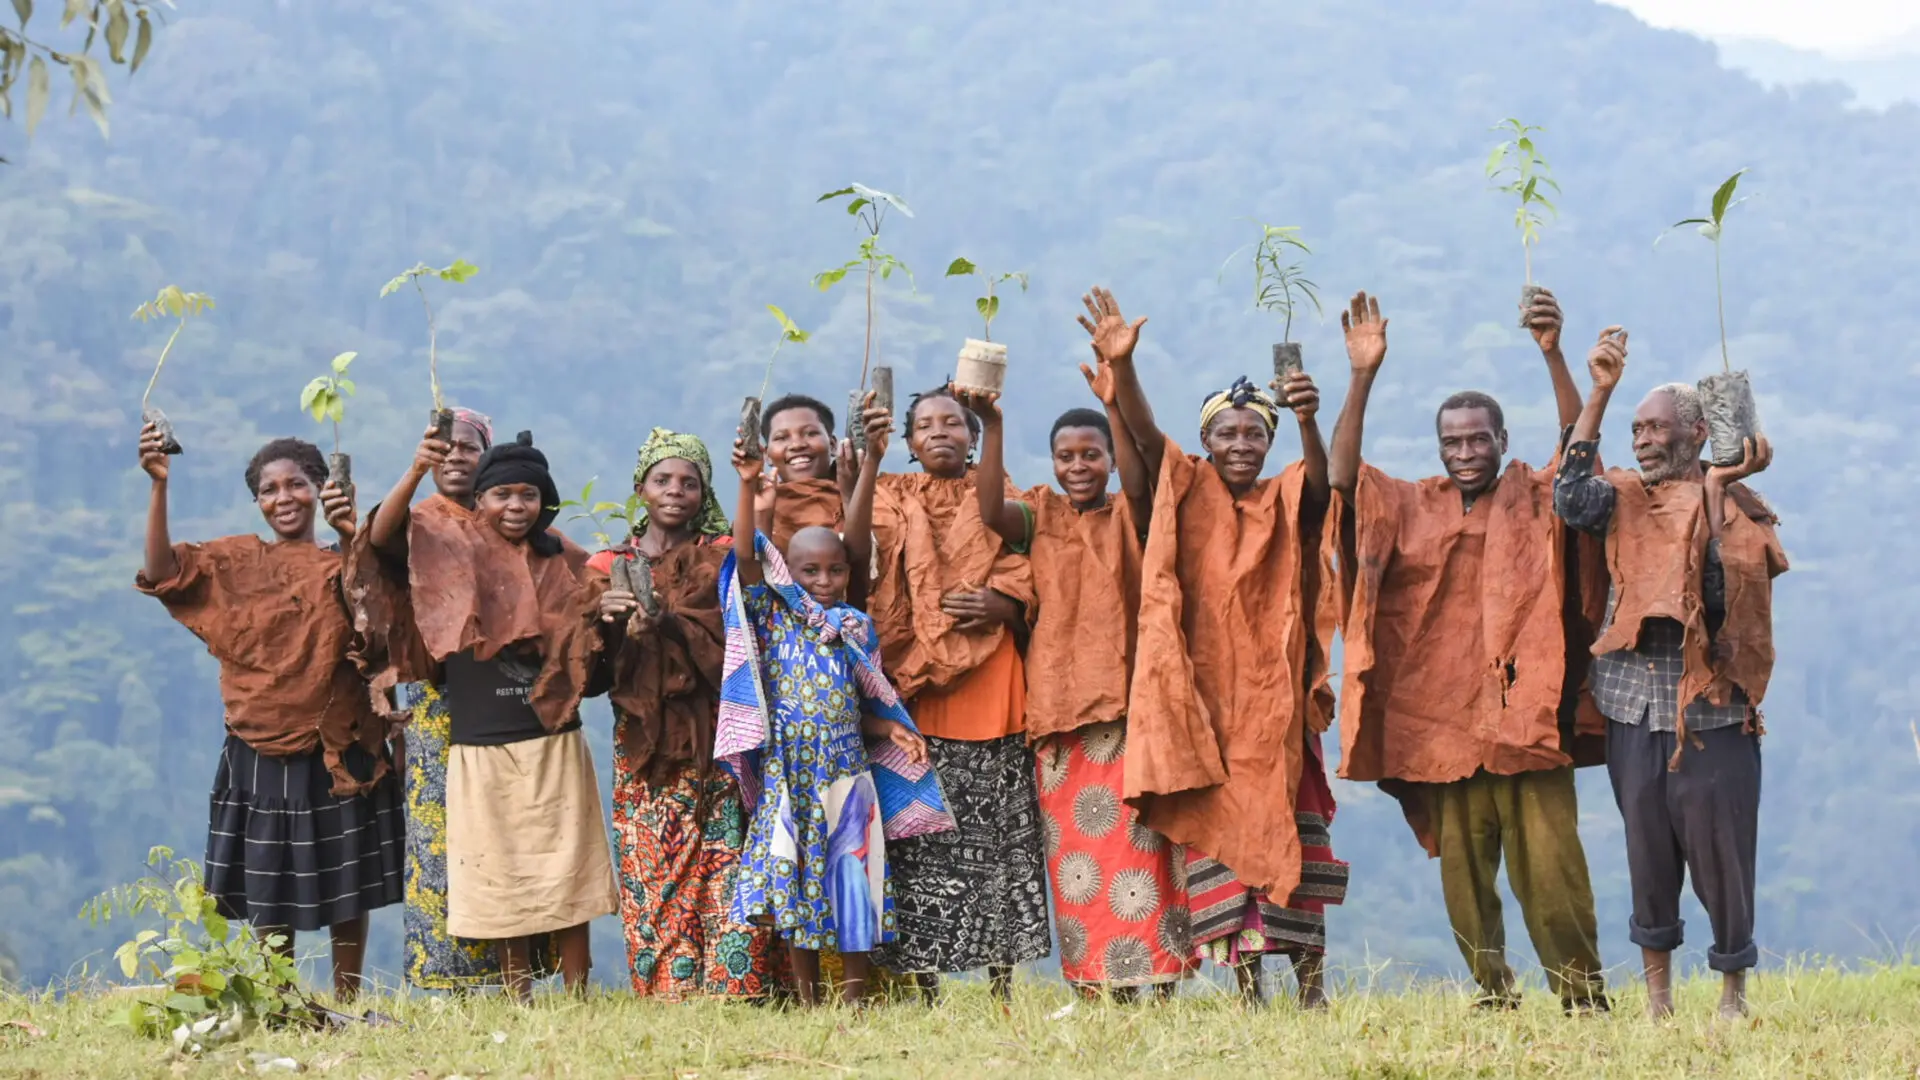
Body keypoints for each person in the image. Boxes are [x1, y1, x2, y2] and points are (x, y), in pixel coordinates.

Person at [1325, 289, 1609, 1012]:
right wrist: (1361, 375)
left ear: (1502, 440)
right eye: (1452, 442)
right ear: (1439, 447)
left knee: (1552, 870)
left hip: (1525, 719)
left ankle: (1581, 998)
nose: (1465, 453)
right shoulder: (1411, 503)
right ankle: (1493, 990)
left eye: (1478, 439)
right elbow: (1341, 477)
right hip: (1442, 725)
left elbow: (1579, 446)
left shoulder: (1535, 493)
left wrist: (1552, 353)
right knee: (1464, 876)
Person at [1097, 286, 1347, 1007]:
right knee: (1219, 843)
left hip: (1277, 711)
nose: (1241, 446)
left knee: (1296, 837)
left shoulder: (1286, 495)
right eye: (1227, 434)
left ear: (1267, 444)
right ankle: (1246, 990)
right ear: (1206, 441)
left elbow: (1326, 484)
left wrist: (1306, 420)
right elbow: (1146, 442)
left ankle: (1311, 987)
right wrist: (1126, 371)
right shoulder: (1185, 493)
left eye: (1253, 435)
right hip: (1205, 713)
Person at [1553, 328, 1786, 1019]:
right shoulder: (1622, 498)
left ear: (1696, 432)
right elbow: (1570, 496)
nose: (1644, 439)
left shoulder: (1740, 508)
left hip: (1711, 712)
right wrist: (1599, 392)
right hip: (1633, 708)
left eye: (1657, 427)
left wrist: (1716, 490)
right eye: (1637, 429)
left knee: (1722, 858)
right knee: (1647, 850)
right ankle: (1658, 1002)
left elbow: (1722, 600)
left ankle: (1731, 995)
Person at [959, 337, 1195, 998]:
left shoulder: (1134, 513)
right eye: (1067, 456)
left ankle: (1161, 978)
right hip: (1060, 714)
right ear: (1053, 462)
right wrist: (993, 423)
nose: (1079, 466)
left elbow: (1143, 476)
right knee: (1078, 860)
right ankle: (1098, 982)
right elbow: (987, 512)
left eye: (1092, 454)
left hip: (1128, 712)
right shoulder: (1041, 515)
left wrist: (1115, 404)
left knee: (1146, 849)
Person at [136, 426, 402, 1001]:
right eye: (269, 490)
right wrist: (160, 487)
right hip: (257, 742)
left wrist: (350, 532)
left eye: (296, 485)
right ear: (257, 501)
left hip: (338, 739)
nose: (284, 498)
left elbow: (384, 617)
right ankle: (276, 995)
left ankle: (348, 996)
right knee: (269, 877)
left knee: (346, 874)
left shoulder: (345, 561)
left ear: (320, 489)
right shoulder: (235, 563)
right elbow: (161, 573)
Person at [352, 429, 617, 1000]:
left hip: (552, 736)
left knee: (567, 860)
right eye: (502, 495)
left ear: (545, 502)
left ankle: (578, 990)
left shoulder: (565, 556)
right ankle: (515, 991)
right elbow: (380, 537)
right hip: (477, 741)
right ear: (480, 500)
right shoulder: (448, 548)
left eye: (528, 495)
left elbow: (597, 628)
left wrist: (608, 613)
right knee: (497, 868)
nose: (515, 507)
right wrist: (416, 469)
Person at [716, 423, 951, 1006]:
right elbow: (746, 556)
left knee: (854, 879)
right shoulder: (773, 619)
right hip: (789, 774)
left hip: (848, 770)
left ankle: (854, 995)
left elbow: (861, 703)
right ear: (786, 576)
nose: (823, 582)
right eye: (808, 572)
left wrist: (890, 727)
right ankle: (807, 999)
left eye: (834, 571)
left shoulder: (854, 626)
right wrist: (748, 489)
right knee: (795, 883)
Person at [859, 385, 1050, 1001]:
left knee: (1002, 843)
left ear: (973, 436)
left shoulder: (1004, 496)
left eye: (953, 422)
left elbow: (1036, 575)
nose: (939, 431)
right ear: (909, 444)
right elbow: (856, 555)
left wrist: (1004, 603)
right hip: (915, 693)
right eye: (924, 424)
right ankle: (925, 981)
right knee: (918, 844)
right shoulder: (891, 495)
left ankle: (1003, 982)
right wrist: (863, 461)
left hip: (993, 685)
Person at [588, 428, 781, 1000]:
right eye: (663, 480)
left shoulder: (719, 557)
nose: (675, 491)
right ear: (640, 489)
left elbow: (743, 627)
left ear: (704, 492)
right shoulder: (609, 564)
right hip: (645, 745)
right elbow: (590, 674)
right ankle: (670, 990)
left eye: (689, 482)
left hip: (719, 739)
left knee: (727, 864)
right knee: (657, 871)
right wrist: (604, 620)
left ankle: (733, 988)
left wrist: (670, 620)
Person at [755, 394, 857, 551]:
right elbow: (752, 569)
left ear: (833, 444)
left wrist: (851, 495)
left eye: (810, 433)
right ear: (766, 455)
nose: (796, 445)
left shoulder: (873, 497)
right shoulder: (756, 513)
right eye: (781, 437)